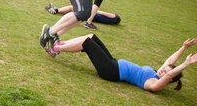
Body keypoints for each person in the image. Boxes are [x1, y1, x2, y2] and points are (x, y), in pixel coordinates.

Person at [49, 34, 197, 92]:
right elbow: (169, 62)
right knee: (92, 37)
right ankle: (62, 43)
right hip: (113, 63)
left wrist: (185, 64)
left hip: (111, 71)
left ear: (169, 78)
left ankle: (56, 49)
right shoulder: (155, 73)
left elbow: (169, 72)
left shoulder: (154, 83)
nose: (163, 70)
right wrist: (184, 47)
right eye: (164, 69)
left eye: (165, 72)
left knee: (86, 43)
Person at [44, 3, 121, 25]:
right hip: (92, 18)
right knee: (73, 11)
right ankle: (56, 10)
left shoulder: (113, 17)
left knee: (72, 7)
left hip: (92, 14)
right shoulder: (109, 22)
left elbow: (101, 12)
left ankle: (56, 10)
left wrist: (93, 9)